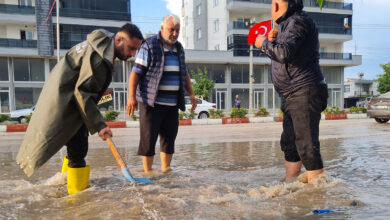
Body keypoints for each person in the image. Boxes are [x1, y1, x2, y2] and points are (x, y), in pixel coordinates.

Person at [16, 23, 143, 194]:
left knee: (75, 146)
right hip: (68, 103)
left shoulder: (101, 45)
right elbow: (83, 93)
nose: (133, 54)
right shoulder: (99, 59)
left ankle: (63, 184)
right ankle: (77, 198)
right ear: (119, 39)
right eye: (131, 48)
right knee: (78, 150)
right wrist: (100, 125)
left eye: (136, 50)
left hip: (68, 100)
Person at [255, 0, 328, 182]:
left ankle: (318, 195)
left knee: (307, 145)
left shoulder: (297, 21)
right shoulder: (288, 25)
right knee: (290, 144)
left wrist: (263, 43)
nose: (273, 7)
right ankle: (290, 184)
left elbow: (284, 53)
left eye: (275, 2)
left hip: (304, 91)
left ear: (278, 6)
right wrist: (274, 39)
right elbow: (284, 51)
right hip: (290, 95)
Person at [126, 14, 197, 174]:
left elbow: (184, 72)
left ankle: (166, 171)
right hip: (151, 103)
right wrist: (131, 97)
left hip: (172, 104)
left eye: (177, 31)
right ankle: (148, 172)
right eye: (171, 30)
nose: (174, 33)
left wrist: (191, 94)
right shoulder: (149, 45)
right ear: (162, 28)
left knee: (169, 140)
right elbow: (135, 73)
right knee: (148, 141)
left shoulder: (179, 48)